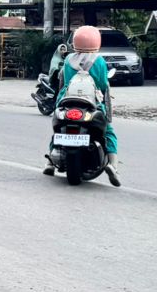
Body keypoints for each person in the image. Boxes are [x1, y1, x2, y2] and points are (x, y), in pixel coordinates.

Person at [42, 24, 121, 186]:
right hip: (92, 103)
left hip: (66, 102)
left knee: (58, 129)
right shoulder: (99, 61)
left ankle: (50, 162)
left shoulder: (68, 60)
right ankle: (113, 165)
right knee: (108, 132)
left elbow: (62, 83)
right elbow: (102, 84)